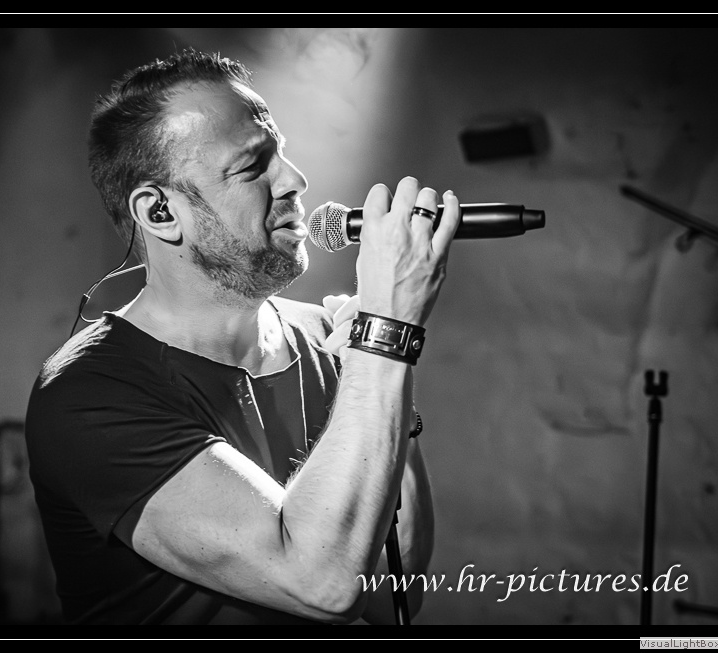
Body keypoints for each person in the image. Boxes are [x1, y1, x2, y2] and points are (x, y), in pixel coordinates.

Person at [24, 48, 461, 625]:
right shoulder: (89, 395)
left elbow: (388, 596)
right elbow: (320, 584)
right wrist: (386, 339)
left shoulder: (334, 342)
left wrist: (384, 370)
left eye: (281, 151)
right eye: (253, 165)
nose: (296, 180)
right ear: (160, 212)